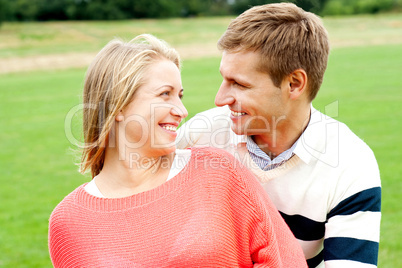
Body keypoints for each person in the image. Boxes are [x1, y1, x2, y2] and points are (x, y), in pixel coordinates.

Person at [48, 34, 307, 267]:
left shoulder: (219, 173)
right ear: (118, 106)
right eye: (165, 94)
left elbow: (285, 260)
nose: (181, 111)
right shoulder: (68, 221)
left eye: (179, 96)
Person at [176, 3, 381, 268]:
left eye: (239, 84)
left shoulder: (351, 163)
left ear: (294, 84)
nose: (220, 99)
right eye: (224, 79)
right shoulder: (202, 132)